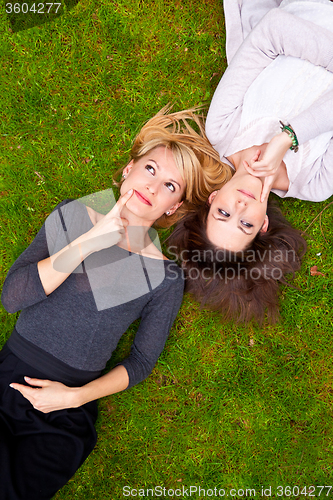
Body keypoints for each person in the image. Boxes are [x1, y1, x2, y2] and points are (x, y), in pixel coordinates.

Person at [0, 107, 231, 500]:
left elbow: (141, 360)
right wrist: (88, 242)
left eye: (171, 187)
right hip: (6, 382)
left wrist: (73, 397)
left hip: (64, 414)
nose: (154, 187)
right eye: (151, 169)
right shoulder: (74, 215)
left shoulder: (165, 277)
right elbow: (12, 298)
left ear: (172, 208)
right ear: (129, 169)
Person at [168, 0, 333, 323]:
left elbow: (273, 30)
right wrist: (285, 141)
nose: (241, 207)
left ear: (213, 199)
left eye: (224, 213)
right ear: (263, 226)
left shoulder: (223, 129)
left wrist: (285, 139)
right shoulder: (316, 182)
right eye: (245, 224)